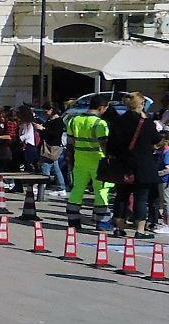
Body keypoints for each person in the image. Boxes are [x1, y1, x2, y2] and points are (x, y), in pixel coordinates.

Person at [106, 92, 159, 239]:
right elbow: (156, 139)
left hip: (123, 164)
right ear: (141, 104)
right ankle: (139, 230)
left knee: (121, 196)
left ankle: (119, 228)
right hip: (143, 164)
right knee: (141, 197)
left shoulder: (118, 121)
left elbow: (111, 145)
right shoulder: (147, 123)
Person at [65, 94, 113, 232]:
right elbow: (104, 144)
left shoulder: (74, 120)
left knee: (77, 189)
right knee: (101, 190)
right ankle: (102, 222)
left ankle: (73, 220)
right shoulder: (100, 124)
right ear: (101, 108)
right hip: (98, 160)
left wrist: (71, 159)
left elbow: (70, 142)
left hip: (80, 159)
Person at [40, 104, 69, 196]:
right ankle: (61, 187)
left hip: (53, 147)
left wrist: (43, 129)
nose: (45, 113)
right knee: (55, 168)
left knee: (46, 165)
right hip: (48, 145)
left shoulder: (58, 121)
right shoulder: (50, 120)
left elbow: (55, 134)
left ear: (52, 110)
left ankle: (42, 186)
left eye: (46, 110)